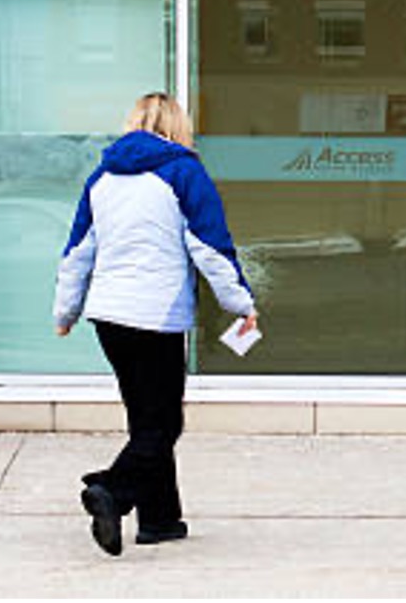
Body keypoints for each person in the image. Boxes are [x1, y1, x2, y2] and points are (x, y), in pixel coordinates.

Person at [53, 91, 258, 555]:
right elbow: (211, 248)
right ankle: (113, 490)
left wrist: (64, 313)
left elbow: (77, 252)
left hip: (108, 316)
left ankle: (160, 519)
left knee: (145, 417)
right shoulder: (184, 171)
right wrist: (241, 304)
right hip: (157, 316)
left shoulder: (101, 177)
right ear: (178, 127)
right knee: (163, 423)